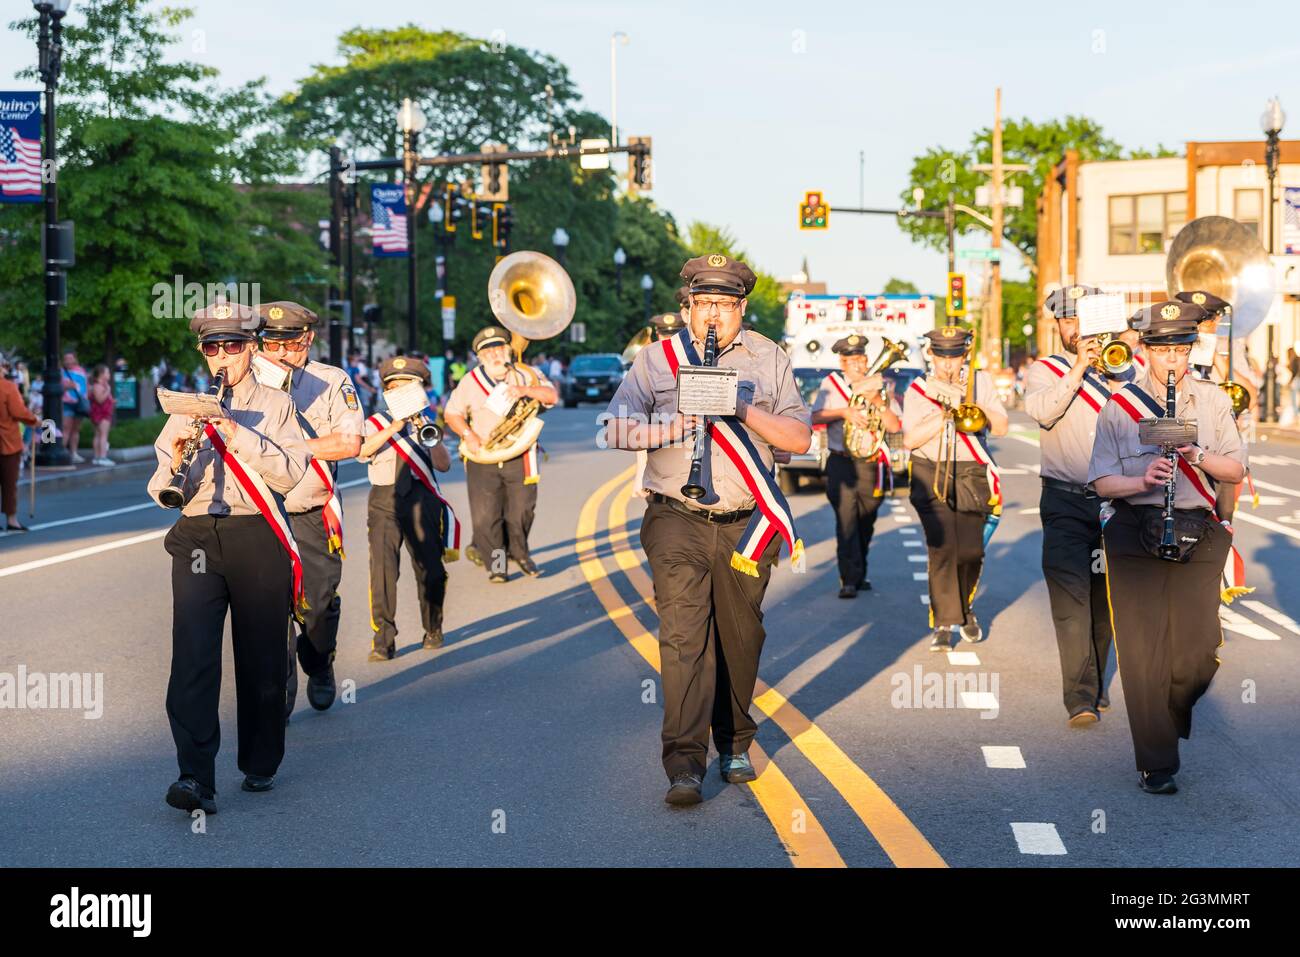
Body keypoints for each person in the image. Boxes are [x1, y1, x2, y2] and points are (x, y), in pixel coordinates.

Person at [603, 253, 812, 807]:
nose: (713, 315)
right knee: (683, 638)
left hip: (747, 524)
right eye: (703, 304)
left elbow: (799, 439)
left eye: (724, 304)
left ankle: (736, 741)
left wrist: (740, 409)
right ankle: (684, 762)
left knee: (742, 639)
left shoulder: (770, 358)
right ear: (688, 306)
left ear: (742, 307)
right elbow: (612, 428)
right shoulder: (656, 359)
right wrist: (676, 424)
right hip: (676, 515)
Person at [147, 303, 310, 813]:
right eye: (213, 347)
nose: (223, 356)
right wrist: (177, 461)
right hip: (197, 536)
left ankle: (261, 761)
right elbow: (159, 488)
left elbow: (289, 475)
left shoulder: (276, 405)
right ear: (203, 352)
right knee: (192, 657)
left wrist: (238, 434)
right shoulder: (184, 409)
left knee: (261, 657)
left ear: (251, 348)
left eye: (233, 346)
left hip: (256, 535)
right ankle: (195, 777)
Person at [1088, 301, 1247, 795]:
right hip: (1135, 529)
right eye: (1162, 351)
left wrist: (1195, 454)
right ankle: (1156, 761)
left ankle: (1178, 702)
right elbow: (1100, 481)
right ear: (1146, 351)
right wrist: (1140, 480)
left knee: (1196, 651)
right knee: (1142, 649)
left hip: (1198, 528)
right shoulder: (1120, 407)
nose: (1172, 361)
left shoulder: (1214, 400)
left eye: (1180, 350)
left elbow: (1236, 470)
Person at [1024, 284, 1135, 727]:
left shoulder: (1125, 368)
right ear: (1058, 326)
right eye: (1067, 321)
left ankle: (1096, 680)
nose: (1076, 328)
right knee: (1070, 598)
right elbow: (1043, 412)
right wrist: (1077, 370)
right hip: (1065, 500)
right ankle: (1080, 697)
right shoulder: (1045, 370)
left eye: (1082, 319)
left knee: (1105, 598)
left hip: (1116, 504)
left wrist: (1114, 372)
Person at [255, 301, 365, 720]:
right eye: (271, 343)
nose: (281, 353)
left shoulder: (330, 381)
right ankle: (279, 687)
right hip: (262, 511)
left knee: (316, 604)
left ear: (309, 339)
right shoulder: (242, 384)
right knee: (269, 605)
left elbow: (349, 443)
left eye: (292, 344)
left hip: (310, 508)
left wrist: (284, 448)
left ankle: (319, 660)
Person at [902, 326, 1009, 653]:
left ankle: (964, 607)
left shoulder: (980, 382)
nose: (948, 365)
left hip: (971, 471)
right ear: (931, 355)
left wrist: (974, 406)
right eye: (942, 357)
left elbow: (1002, 427)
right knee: (943, 547)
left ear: (964, 355)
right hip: (929, 470)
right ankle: (945, 621)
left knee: (970, 551)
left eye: (955, 356)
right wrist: (944, 415)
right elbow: (909, 440)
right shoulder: (918, 389)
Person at [358, 355, 457, 661]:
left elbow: (443, 465)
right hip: (384, 498)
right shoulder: (374, 422)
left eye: (409, 386)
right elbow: (361, 451)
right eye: (396, 386)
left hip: (421, 496)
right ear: (387, 392)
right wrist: (395, 426)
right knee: (383, 571)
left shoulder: (428, 425)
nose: (401, 391)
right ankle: (383, 639)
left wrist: (425, 429)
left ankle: (433, 627)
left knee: (432, 569)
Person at [443, 326, 557, 581]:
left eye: (498, 348)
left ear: (507, 349)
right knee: (487, 516)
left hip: (521, 453)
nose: (494, 355)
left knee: (522, 510)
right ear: (480, 357)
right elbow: (452, 413)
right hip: (482, 456)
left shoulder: (525, 374)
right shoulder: (469, 381)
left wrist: (525, 391)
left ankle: (520, 552)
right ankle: (498, 565)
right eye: (487, 351)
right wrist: (468, 435)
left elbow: (551, 396)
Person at [811, 334, 902, 598]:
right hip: (841, 460)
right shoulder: (831, 384)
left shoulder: (881, 385)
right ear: (842, 362)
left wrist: (877, 401)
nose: (858, 366)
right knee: (846, 520)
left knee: (867, 520)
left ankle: (859, 571)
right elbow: (813, 416)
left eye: (861, 360)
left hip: (871, 464)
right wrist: (843, 412)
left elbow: (895, 425)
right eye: (851, 361)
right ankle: (848, 579)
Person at [1, 360, 40, 532]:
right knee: (9, 482)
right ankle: (11, 519)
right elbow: (18, 412)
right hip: (7, 441)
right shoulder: (8, 387)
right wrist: (34, 420)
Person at [61, 351, 88, 464]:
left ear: (75, 359)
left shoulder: (81, 371)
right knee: (66, 428)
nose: (68, 361)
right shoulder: (61, 372)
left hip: (79, 403)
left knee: (76, 429)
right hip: (66, 403)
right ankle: (62, 453)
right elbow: (60, 386)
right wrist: (67, 386)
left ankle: (74, 453)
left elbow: (84, 386)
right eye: (66, 358)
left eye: (70, 358)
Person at [88, 364, 116, 467]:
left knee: (98, 435)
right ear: (101, 374)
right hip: (102, 414)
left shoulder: (100, 385)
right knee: (103, 435)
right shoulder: (98, 386)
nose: (109, 374)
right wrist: (108, 391)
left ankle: (97, 457)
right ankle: (102, 457)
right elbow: (100, 399)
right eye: (107, 372)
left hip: (101, 413)